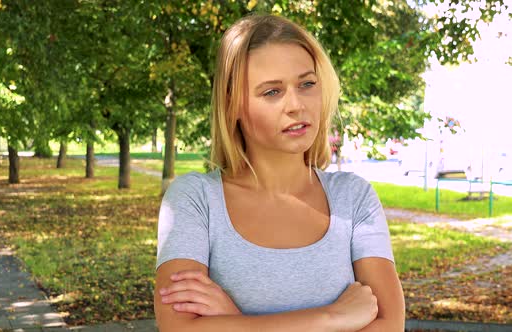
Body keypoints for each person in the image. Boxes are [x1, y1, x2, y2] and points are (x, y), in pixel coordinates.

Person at [154, 14, 405, 332]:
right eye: (272, 92)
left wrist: (236, 322)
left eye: (307, 84)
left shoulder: (353, 198)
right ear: (233, 105)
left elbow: (390, 325)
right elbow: (179, 329)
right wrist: (333, 318)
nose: (296, 104)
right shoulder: (195, 199)